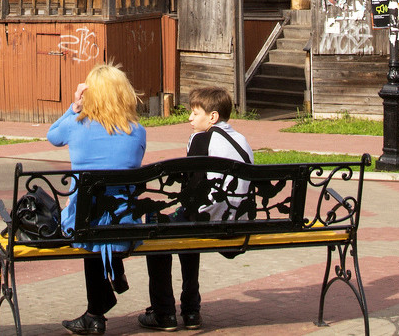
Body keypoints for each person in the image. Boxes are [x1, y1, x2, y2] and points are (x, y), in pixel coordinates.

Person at [138, 85, 254, 332]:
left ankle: (164, 313)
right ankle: (191, 311)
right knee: (186, 224)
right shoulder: (242, 139)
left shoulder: (201, 139)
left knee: (156, 226)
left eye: (195, 113)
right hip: (239, 221)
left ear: (212, 117)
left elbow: (192, 189)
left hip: (211, 222)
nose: (189, 118)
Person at [46, 63, 147, 336]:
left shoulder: (77, 126)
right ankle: (110, 277)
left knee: (87, 223)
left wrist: (73, 106)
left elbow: (52, 136)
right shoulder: (137, 130)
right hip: (125, 219)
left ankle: (96, 313)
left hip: (85, 219)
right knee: (103, 219)